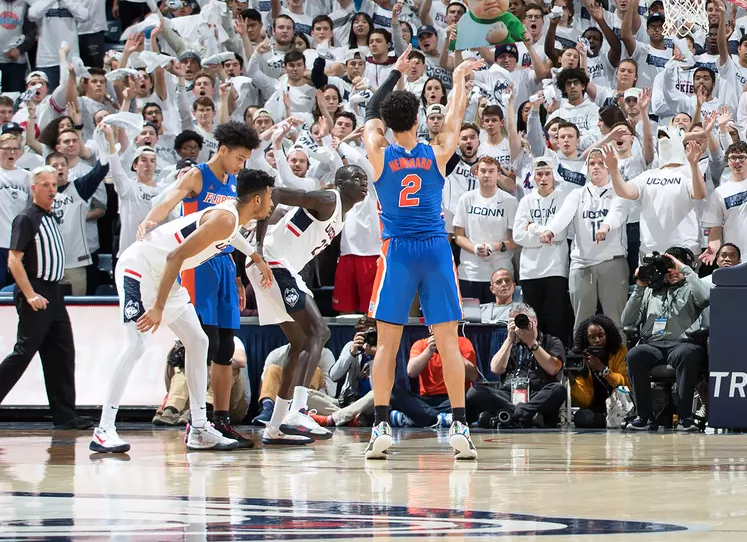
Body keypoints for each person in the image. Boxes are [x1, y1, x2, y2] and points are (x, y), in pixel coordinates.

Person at [90, 166, 276, 453]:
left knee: (199, 341)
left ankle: (200, 428)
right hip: (139, 269)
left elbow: (229, 236)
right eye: (270, 197)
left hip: (163, 273)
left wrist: (256, 257)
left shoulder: (231, 217)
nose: (273, 203)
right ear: (257, 200)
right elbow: (176, 256)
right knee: (135, 345)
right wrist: (157, 307)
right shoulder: (226, 219)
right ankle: (104, 428)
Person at [361, 53, 482, 461]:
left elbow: (369, 109)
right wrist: (461, 77)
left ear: (388, 126)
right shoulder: (436, 152)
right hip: (434, 249)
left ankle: (379, 425)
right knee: (448, 343)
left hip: (397, 251)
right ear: (417, 120)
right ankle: (461, 426)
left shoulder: (378, 151)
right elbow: (456, 113)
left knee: (386, 346)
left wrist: (395, 70)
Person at [126, 120, 264, 447]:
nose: (242, 165)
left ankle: (221, 420)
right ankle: (196, 420)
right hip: (196, 264)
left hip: (224, 264)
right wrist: (150, 220)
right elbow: (171, 198)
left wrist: (240, 274)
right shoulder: (198, 175)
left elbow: (234, 233)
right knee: (204, 342)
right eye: (240, 158)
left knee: (226, 346)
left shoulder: (234, 183)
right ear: (224, 150)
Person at [245, 164, 369, 445]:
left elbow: (283, 215)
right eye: (356, 178)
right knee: (319, 332)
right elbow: (273, 194)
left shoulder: (341, 214)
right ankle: (298, 410)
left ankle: (275, 426)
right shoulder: (329, 199)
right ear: (340, 182)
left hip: (281, 266)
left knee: (299, 343)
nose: (363, 183)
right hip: (272, 263)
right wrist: (260, 249)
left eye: (365, 179)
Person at [0, 166, 87, 428]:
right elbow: (14, 260)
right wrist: (30, 295)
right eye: (46, 185)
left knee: (61, 353)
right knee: (23, 353)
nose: (52, 189)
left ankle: (65, 415)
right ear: (33, 188)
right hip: (36, 292)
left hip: (55, 294)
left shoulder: (51, 218)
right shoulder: (27, 218)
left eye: (54, 185)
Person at [620, 243, 710, 431]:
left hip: (682, 344)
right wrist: (639, 287)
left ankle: (685, 418)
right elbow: (626, 320)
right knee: (634, 355)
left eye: (676, 267)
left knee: (688, 354)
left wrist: (683, 268)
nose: (672, 272)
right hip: (653, 345)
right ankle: (644, 417)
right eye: (668, 269)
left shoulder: (691, 288)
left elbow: (704, 298)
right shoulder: (651, 291)